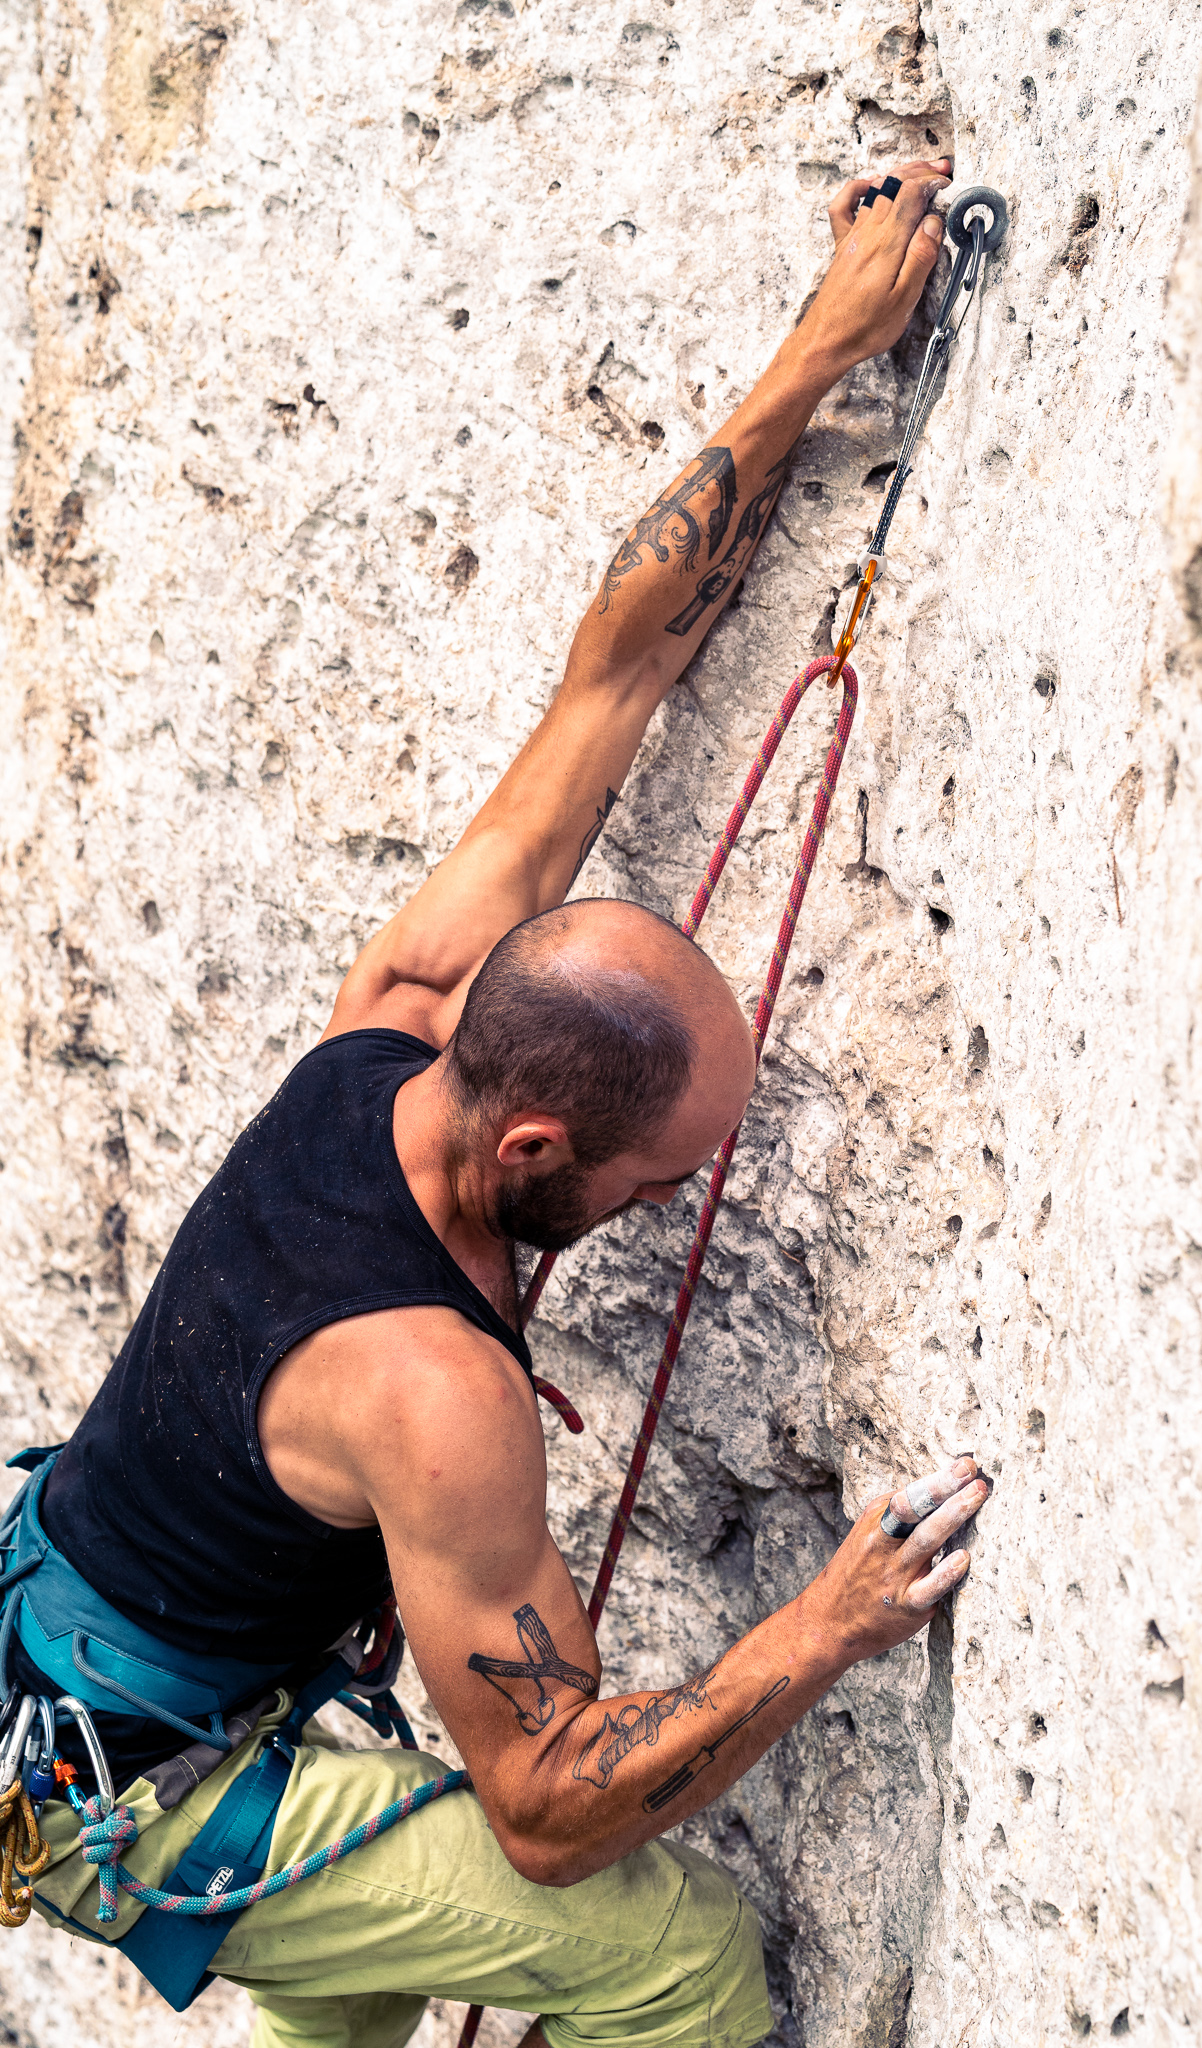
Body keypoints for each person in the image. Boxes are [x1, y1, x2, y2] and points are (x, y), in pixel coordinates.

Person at [22, 157, 990, 2048]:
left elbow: (612, 665)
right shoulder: (433, 1391)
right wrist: (820, 1629)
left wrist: (826, 342)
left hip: (77, 1666)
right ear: (535, 1147)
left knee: (370, 1975)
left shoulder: (391, 1019)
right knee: (677, 1956)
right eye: (649, 1189)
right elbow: (548, 1814)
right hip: (125, 1790)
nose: (656, 1214)